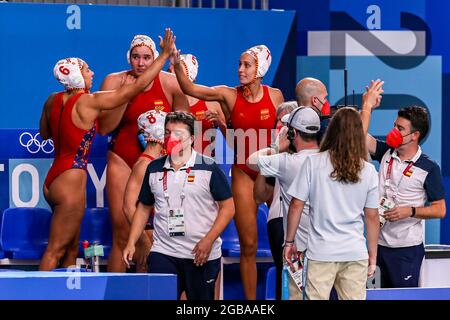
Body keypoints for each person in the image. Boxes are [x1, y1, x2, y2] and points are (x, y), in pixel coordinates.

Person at [38, 29, 176, 271]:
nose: (92, 73)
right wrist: (163, 56)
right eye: (87, 70)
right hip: (71, 179)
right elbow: (135, 89)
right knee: (56, 249)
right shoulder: (90, 101)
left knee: (70, 249)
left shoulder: (52, 99)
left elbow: (45, 134)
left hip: (53, 178)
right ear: (76, 77)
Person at [172, 44, 284, 299]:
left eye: (247, 65)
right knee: (249, 246)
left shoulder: (276, 96)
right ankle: (252, 304)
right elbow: (190, 89)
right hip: (244, 171)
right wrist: (177, 62)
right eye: (240, 64)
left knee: (285, 243)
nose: (240, 70)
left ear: (261, 69)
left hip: (271, 172)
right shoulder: (228, 95)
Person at [98, 33, 189, 272]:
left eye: (147, 57)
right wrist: (124, 96)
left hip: (159, 162)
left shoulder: (169, 83)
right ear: (129, 58)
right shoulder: (114, 81)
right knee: (121, 231)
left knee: (158, 233)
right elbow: (105, 128)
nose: (141, 63)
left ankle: (150, 286)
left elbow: (185, 130)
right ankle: (117, 294)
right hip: (123, 158)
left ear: (155, 58)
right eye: (136, 57)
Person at [123, 111, 235, 300]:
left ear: (192, 138)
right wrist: (131, 242)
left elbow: (228, 207)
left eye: (178, 134)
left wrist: (208, 240)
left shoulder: (208, 166)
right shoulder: (154, 168)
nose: (171, 138)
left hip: (200, 254)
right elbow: (143, 208)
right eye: (167, 133)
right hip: (163, 251)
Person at [284, 107, 380, 300]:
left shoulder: (313, 163)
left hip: (321, 253)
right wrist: (372, 255)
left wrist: (289, 242)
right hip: (355, 252)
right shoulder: (369, 171)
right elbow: (372, 216)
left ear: (332, 130)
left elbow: (296, 205)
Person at [361, 80, 446, 288]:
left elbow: (440, 209)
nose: (394, 132)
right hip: (377, 246)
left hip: (406, 251)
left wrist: (410, 211)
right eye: (394, 126)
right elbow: (358, 137)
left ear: (415, 135)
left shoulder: (429, 168)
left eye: (400, 129)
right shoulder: (385, 153)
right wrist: (367, 107)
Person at [248, 106, 321, 299]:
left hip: (297, 240)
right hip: (295, 230)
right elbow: (259, 196)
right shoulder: (327, 159)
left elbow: (251, 160)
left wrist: (274, 150)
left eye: (286, 126)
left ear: (292, 133)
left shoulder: (283, 161)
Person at [251, 100, 297, 300]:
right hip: (278, 220)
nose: (281, 127)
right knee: (284, 275)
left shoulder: (310, 154)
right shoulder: (275, 155)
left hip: (306, 223)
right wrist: (275, 152)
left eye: (285, 123)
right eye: (278, 123)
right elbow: (259, 195)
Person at [122, 110, 166, 272]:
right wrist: (143, 241)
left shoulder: (158, 162)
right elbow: (128, 207)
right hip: (150, 233)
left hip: (161, 233)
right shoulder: (144, 165)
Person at [168, 53, 226, 156]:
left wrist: (220, 123)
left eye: (177, 70)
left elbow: (233, 140)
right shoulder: (166, 102)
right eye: (169, 71)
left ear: (191, 75)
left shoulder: (211, 103)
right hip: (175, 166)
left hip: (204, 166)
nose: (172, 74)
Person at [295, 77, 330, 141]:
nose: (326, 102)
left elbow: (275, 147)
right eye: (325, 98)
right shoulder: (326, 127)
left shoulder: (284, 121)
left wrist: (276, 149)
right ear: (315, 100)